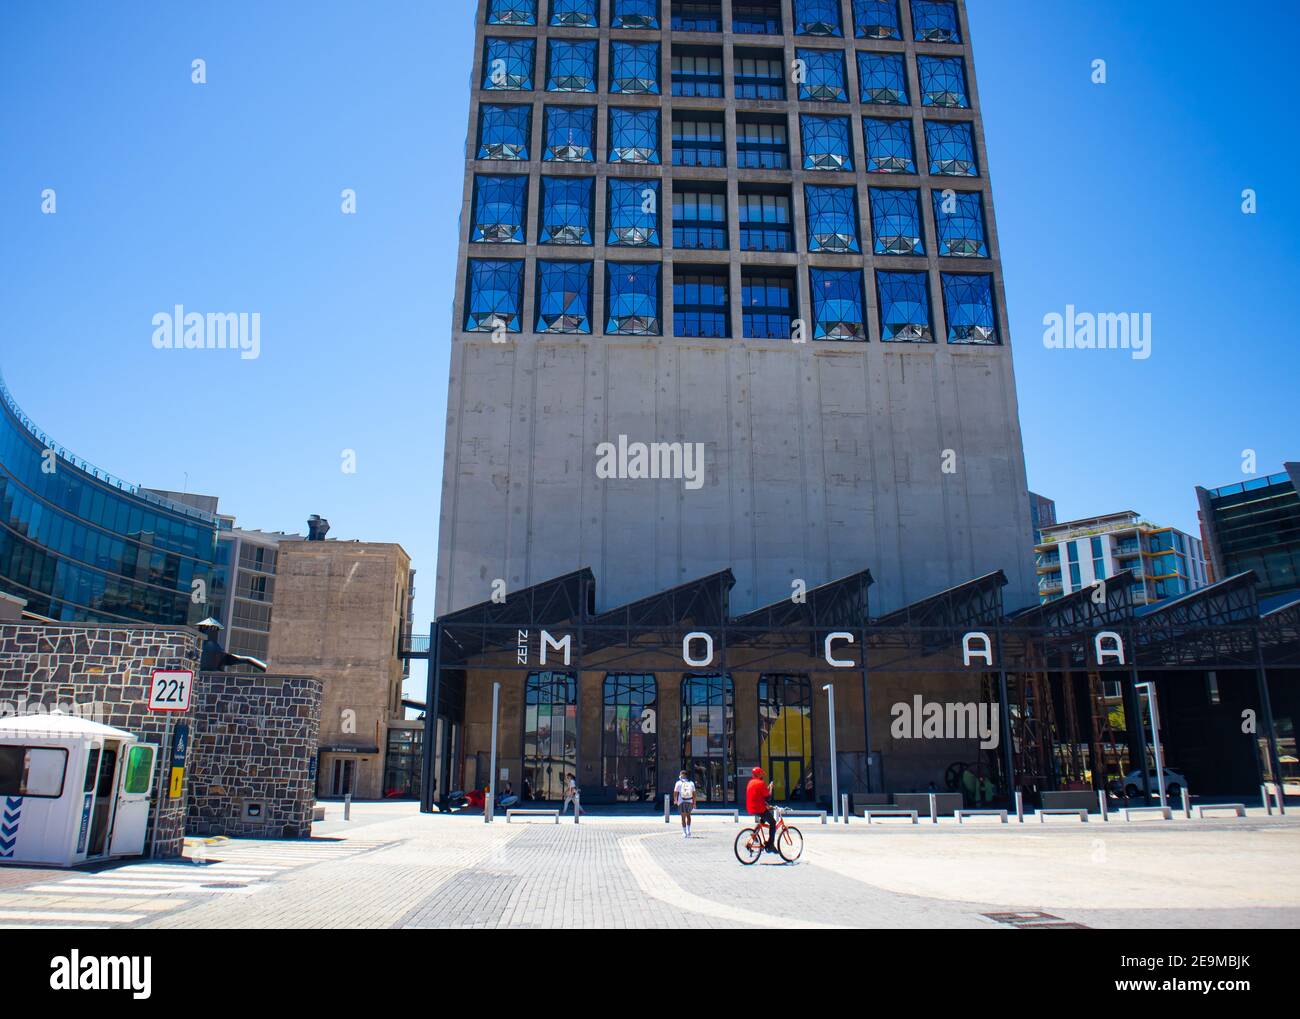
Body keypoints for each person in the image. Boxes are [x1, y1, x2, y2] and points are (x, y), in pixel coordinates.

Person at [746, 766, 776, 852]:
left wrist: (766, 805)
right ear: (759, 774)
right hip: (759, 808)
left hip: (751, 808)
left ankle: (754, 834)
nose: (762, 776)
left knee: (764, 818)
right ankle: (770, 844)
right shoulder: (761, 783)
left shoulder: (750, 782)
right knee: (773, 822)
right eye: (761, 775)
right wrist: (770, 787)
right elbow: (768, 797)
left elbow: (757, 796)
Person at [672, 770, 696, 837]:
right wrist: (694, 803)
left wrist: (675, 800)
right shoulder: (691, 783)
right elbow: (694, 794)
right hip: (689, 801)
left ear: (681, 775)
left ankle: (684, 832)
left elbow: (675, 793)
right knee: (688, 816)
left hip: (681, 801)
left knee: (683, 817)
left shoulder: (678, 783)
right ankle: (689, 831)